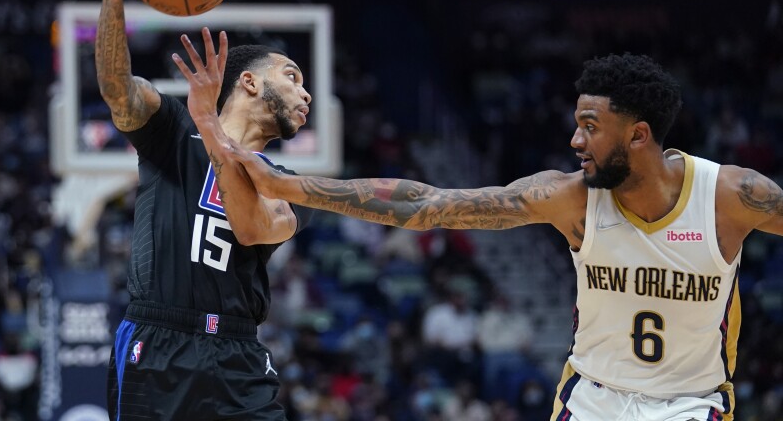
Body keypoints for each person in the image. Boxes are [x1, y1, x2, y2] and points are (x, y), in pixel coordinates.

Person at [184, 51, 783, 421]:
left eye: (590, 128)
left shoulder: (730, 196)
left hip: (688, 405)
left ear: (639, 136)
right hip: (592, 399)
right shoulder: (570, 197)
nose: (575, 142)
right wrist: (289, 187)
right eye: (577, 125)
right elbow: (429, 207)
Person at [98, 0, 314, 420]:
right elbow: (116, 91)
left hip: (237, 356)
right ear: (249, 81)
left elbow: (251, 225)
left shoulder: (284, 183)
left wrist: (213, 128)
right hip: (157, 342)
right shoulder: (174, 132)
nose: (305, 93)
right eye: (292, 76)